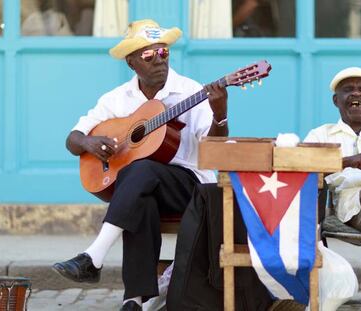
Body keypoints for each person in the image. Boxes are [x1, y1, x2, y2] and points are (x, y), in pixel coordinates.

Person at [52, 19, 229, 311]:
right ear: (132, 62)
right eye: (149, 55)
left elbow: (217, 152)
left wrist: (219, 115)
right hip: (143, 188)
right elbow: (73, 139)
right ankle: (134, 301)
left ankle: (94, 255)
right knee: (140, 199)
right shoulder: (116, 99)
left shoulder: (190, 91)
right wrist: (89, 144)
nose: (159, 59)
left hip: (191, 187)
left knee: (139, 170)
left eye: (164, 53)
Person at [304, 67, 361, 236]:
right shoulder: (320, 135)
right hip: (354, 211)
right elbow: (302, 170)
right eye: (348, 90)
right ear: (336, 100)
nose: (356, 94)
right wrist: (347, 161)